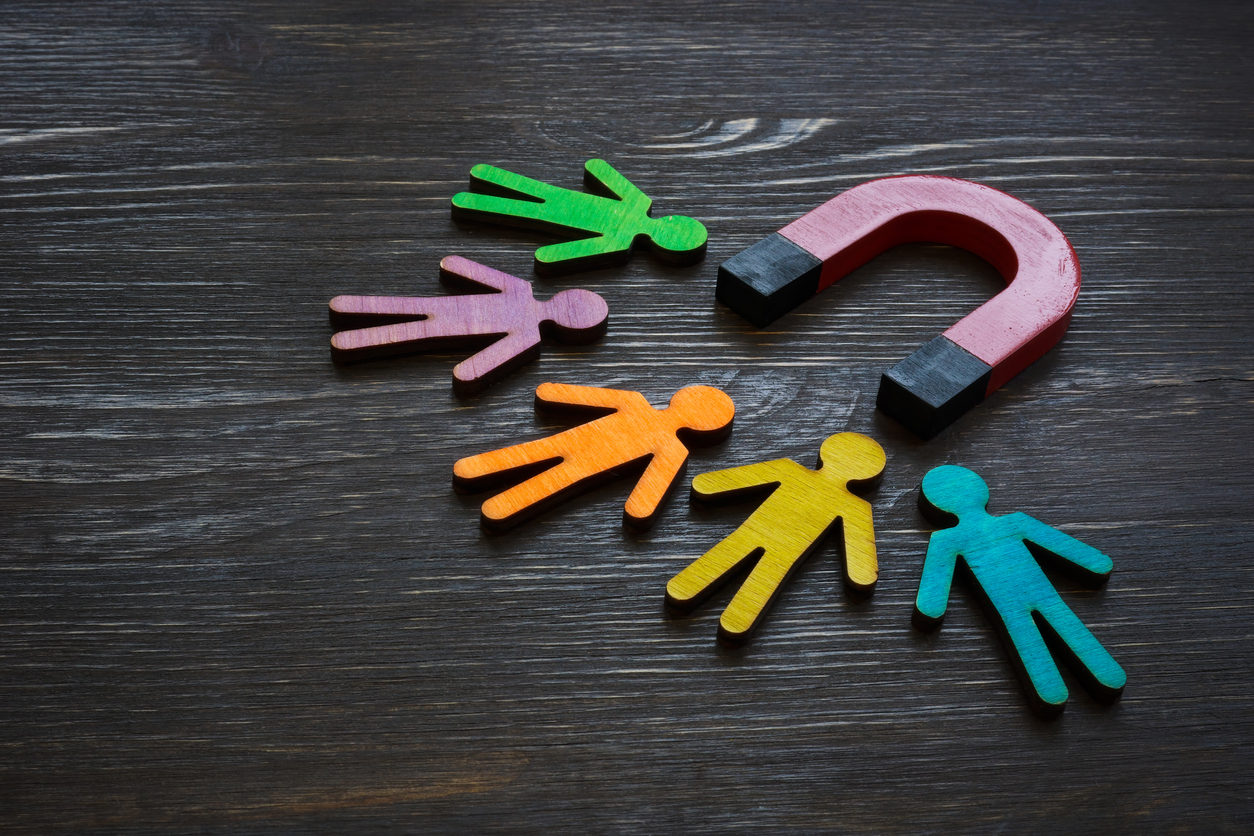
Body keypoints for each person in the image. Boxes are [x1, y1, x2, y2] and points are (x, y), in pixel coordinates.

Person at [915, 464, 1127, 716]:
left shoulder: (946, 540)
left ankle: (1053, 693)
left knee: (1027, 640)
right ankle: (1103, 677)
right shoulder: (1012, 522)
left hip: (1011, 605)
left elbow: (931, 598)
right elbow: (1077, 552)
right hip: (1038, 596)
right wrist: (1096, 562)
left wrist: (932, 609)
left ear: (937, 504)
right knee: (1066, 628)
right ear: (982, 492)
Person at [666, 433, 886, 644]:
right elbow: (862, 562)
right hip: (782, 551)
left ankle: (686, 590)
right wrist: (862, 575)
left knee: (723, 560)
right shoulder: (855, 506)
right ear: (867, 473)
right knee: (761, 582)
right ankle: (735, 620)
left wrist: (707, 483)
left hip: (756, 537)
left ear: (827, 452)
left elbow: (716, 482)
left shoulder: (790, 470)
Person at [454, 383, 734, 531]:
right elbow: (643, 504)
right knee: (552, 480)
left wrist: (549, 392)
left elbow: (556, 393)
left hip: (572, 450)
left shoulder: (635, 401)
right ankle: (497, 504)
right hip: (584, 466)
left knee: (527, 455)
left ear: (680, 397)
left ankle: (473, 473)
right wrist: (638, 510)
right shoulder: (674, 447)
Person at [329, 256, 608, 393]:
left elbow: (459, 266)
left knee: (405, 314)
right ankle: (348, 330)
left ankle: (347, 316)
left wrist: (454, 264)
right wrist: (465, 372)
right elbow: (475, 369)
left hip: (448, 315)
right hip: (451, 320)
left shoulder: (523, 297)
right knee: (409, 330)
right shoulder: (529, 334)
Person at [451, 160, 707, 274]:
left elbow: (599, 168)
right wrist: (547, 256)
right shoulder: (621, 239)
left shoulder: (637, 208)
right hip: (559, 209)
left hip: (559, 205)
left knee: (527, 193)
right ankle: (474, 192)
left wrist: (548, 256)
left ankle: (480, 184)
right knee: (522, 202)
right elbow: (597, 168)